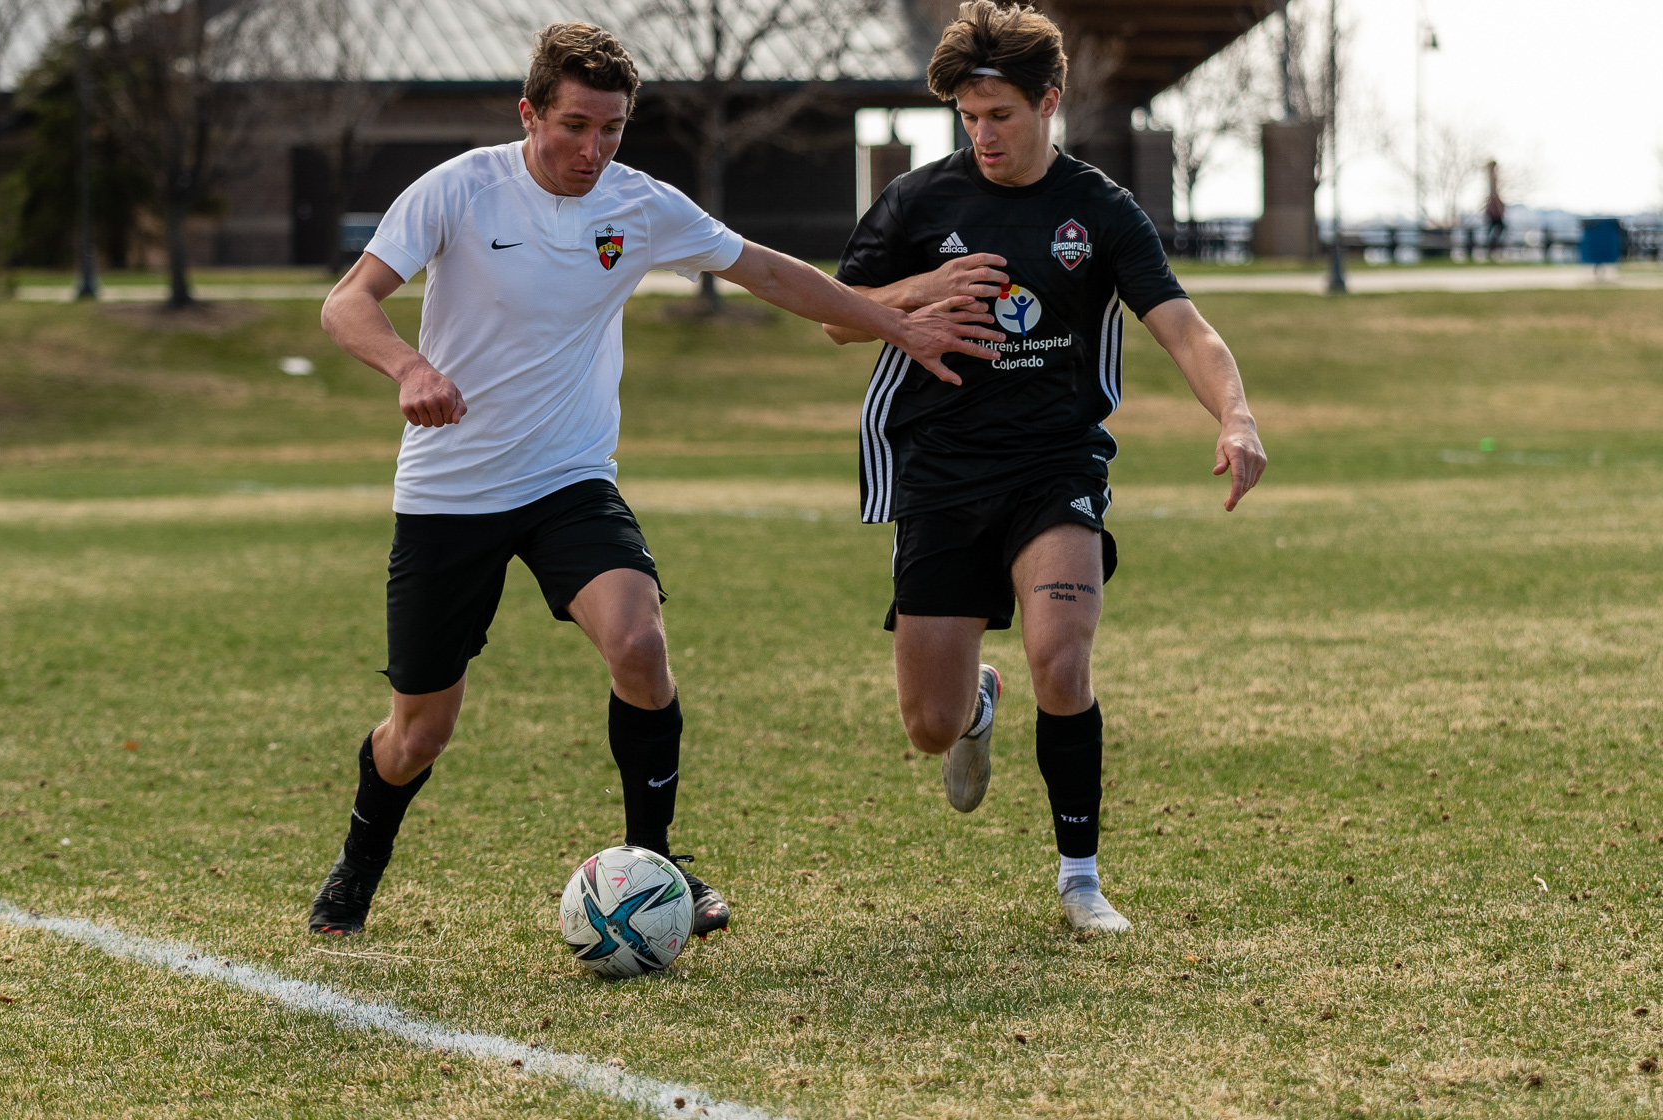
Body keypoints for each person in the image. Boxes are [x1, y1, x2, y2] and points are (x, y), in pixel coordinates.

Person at [308, 21, 1001, 938]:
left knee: (639, 643)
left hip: (568, 481)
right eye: (574, 126)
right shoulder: (459, 188)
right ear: (529, 113)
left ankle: (656, 864)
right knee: (419, 733)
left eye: (611, 130)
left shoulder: (640, 205)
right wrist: (410, 368)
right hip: (452, 493)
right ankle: (358, 867)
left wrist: (894, 323)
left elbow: (769, 273)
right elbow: (347, 303)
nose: (592, 150)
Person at [822, 1, 1266, 933]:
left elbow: (1184, 328)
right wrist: (923, 289)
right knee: (928, 726)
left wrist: (1234, 414)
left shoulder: (1099, 210)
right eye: (968, 117)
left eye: (1001, 115)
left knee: (1061, 659)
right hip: (941, 468)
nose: (982, 135)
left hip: (1055, 462)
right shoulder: (917, 201)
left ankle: (1080, 879)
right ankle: (975, 705)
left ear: (1049, 101)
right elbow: (837, 314)